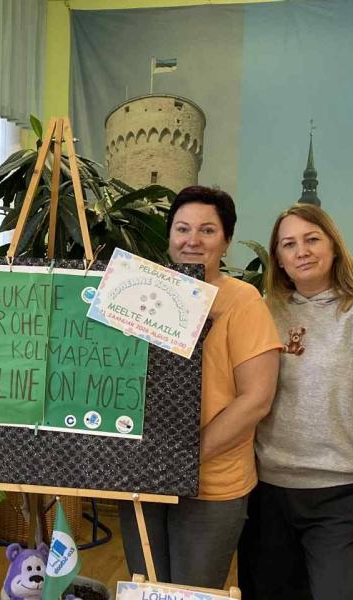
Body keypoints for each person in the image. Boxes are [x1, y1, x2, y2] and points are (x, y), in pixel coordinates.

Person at [238, 203, 353, 599]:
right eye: (289, 244)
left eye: (312, 239)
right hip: (266, 495)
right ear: (279, 259)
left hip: (343, 498)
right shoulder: (263, 313)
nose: (301, 251)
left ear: (334, 246)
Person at [118, 185, 282, 587]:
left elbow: (256, 399)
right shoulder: (140, 294)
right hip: (142, 477)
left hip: (212, 485)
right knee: (145, 588)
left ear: (225, 241)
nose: (192, 240)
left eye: (207, 230)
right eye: (182, 228)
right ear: (169, 237)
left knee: (192, 591)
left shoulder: (243, 302)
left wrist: (185, 458)